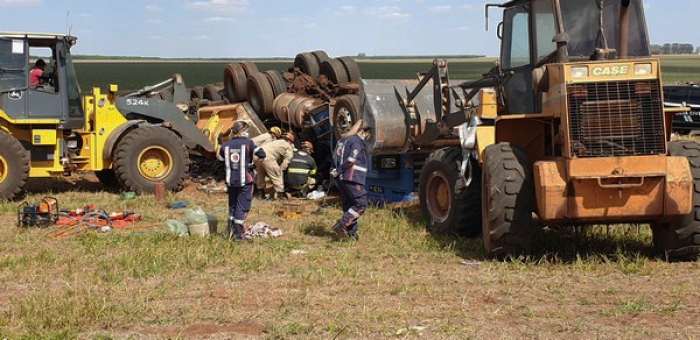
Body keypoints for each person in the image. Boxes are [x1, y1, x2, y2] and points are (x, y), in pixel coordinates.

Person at [218, 121, 266, 240]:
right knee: (243, 205)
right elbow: (262, 154)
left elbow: (220, 157)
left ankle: (230, 230)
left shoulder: (225, 145)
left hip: (230, 180)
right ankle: (239, 235)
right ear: (243, 131)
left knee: (233, 205)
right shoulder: (249, 143)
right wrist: (253, 163)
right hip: (245, 180)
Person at [331, 121, 371, 240]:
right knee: (361, 204)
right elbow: (351, 159)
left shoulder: (340, 141)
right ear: (362, 131)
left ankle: (351, 234)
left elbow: (334, 158)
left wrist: (335, 172)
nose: (368, 138)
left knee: (349, 205)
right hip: (352, 177)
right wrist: (340, 170)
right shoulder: (356, 141)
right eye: (368, 135)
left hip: (341, 179)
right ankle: (341, 225)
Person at [255, 132, 294, 199]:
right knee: (277, 176)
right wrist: (280, 169)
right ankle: (280, 195)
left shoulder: (275, 142)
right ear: (290, 141)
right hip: (267, 157)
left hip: (256, 156)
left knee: (260, 175)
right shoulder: (288, 146)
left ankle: (260, 194)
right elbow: (287, 161)